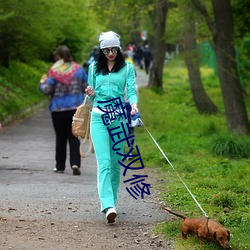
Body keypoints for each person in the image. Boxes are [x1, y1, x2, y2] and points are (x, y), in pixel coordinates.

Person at [85, 31, 138, 223]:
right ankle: (107, 205)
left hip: (119, 119)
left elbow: (131, 90)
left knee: (116, 164)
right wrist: (90, 92)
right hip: (99, 117)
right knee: (104, 162)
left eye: (114, 49)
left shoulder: (127, 68)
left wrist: (133, 104)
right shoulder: (93, 68)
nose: (110, 53)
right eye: (106, 50)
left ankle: (113, 201)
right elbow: (91, 97)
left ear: (119, 48)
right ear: (101, 50)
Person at [39, 45, 88, 175]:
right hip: (75, 109)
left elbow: (47, 90)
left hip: (58, 109)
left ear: (58, 57)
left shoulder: (54, 71)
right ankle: (75, 163)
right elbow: (86, 87)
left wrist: (42, 83)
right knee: (74, 137)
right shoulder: (79, 69)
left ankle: (60, 166)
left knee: (60, 138)